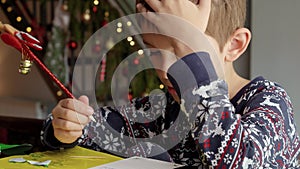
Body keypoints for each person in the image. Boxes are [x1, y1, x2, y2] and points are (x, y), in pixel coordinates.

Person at [41, 0, 300, 168]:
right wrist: (64, 127)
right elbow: (90, 128)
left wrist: (189, 43)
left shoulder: (269, 102)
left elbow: (239, 162)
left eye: (181, 50)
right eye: (154, 50)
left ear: (234, 45)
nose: (165, 70)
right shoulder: (164, 108)